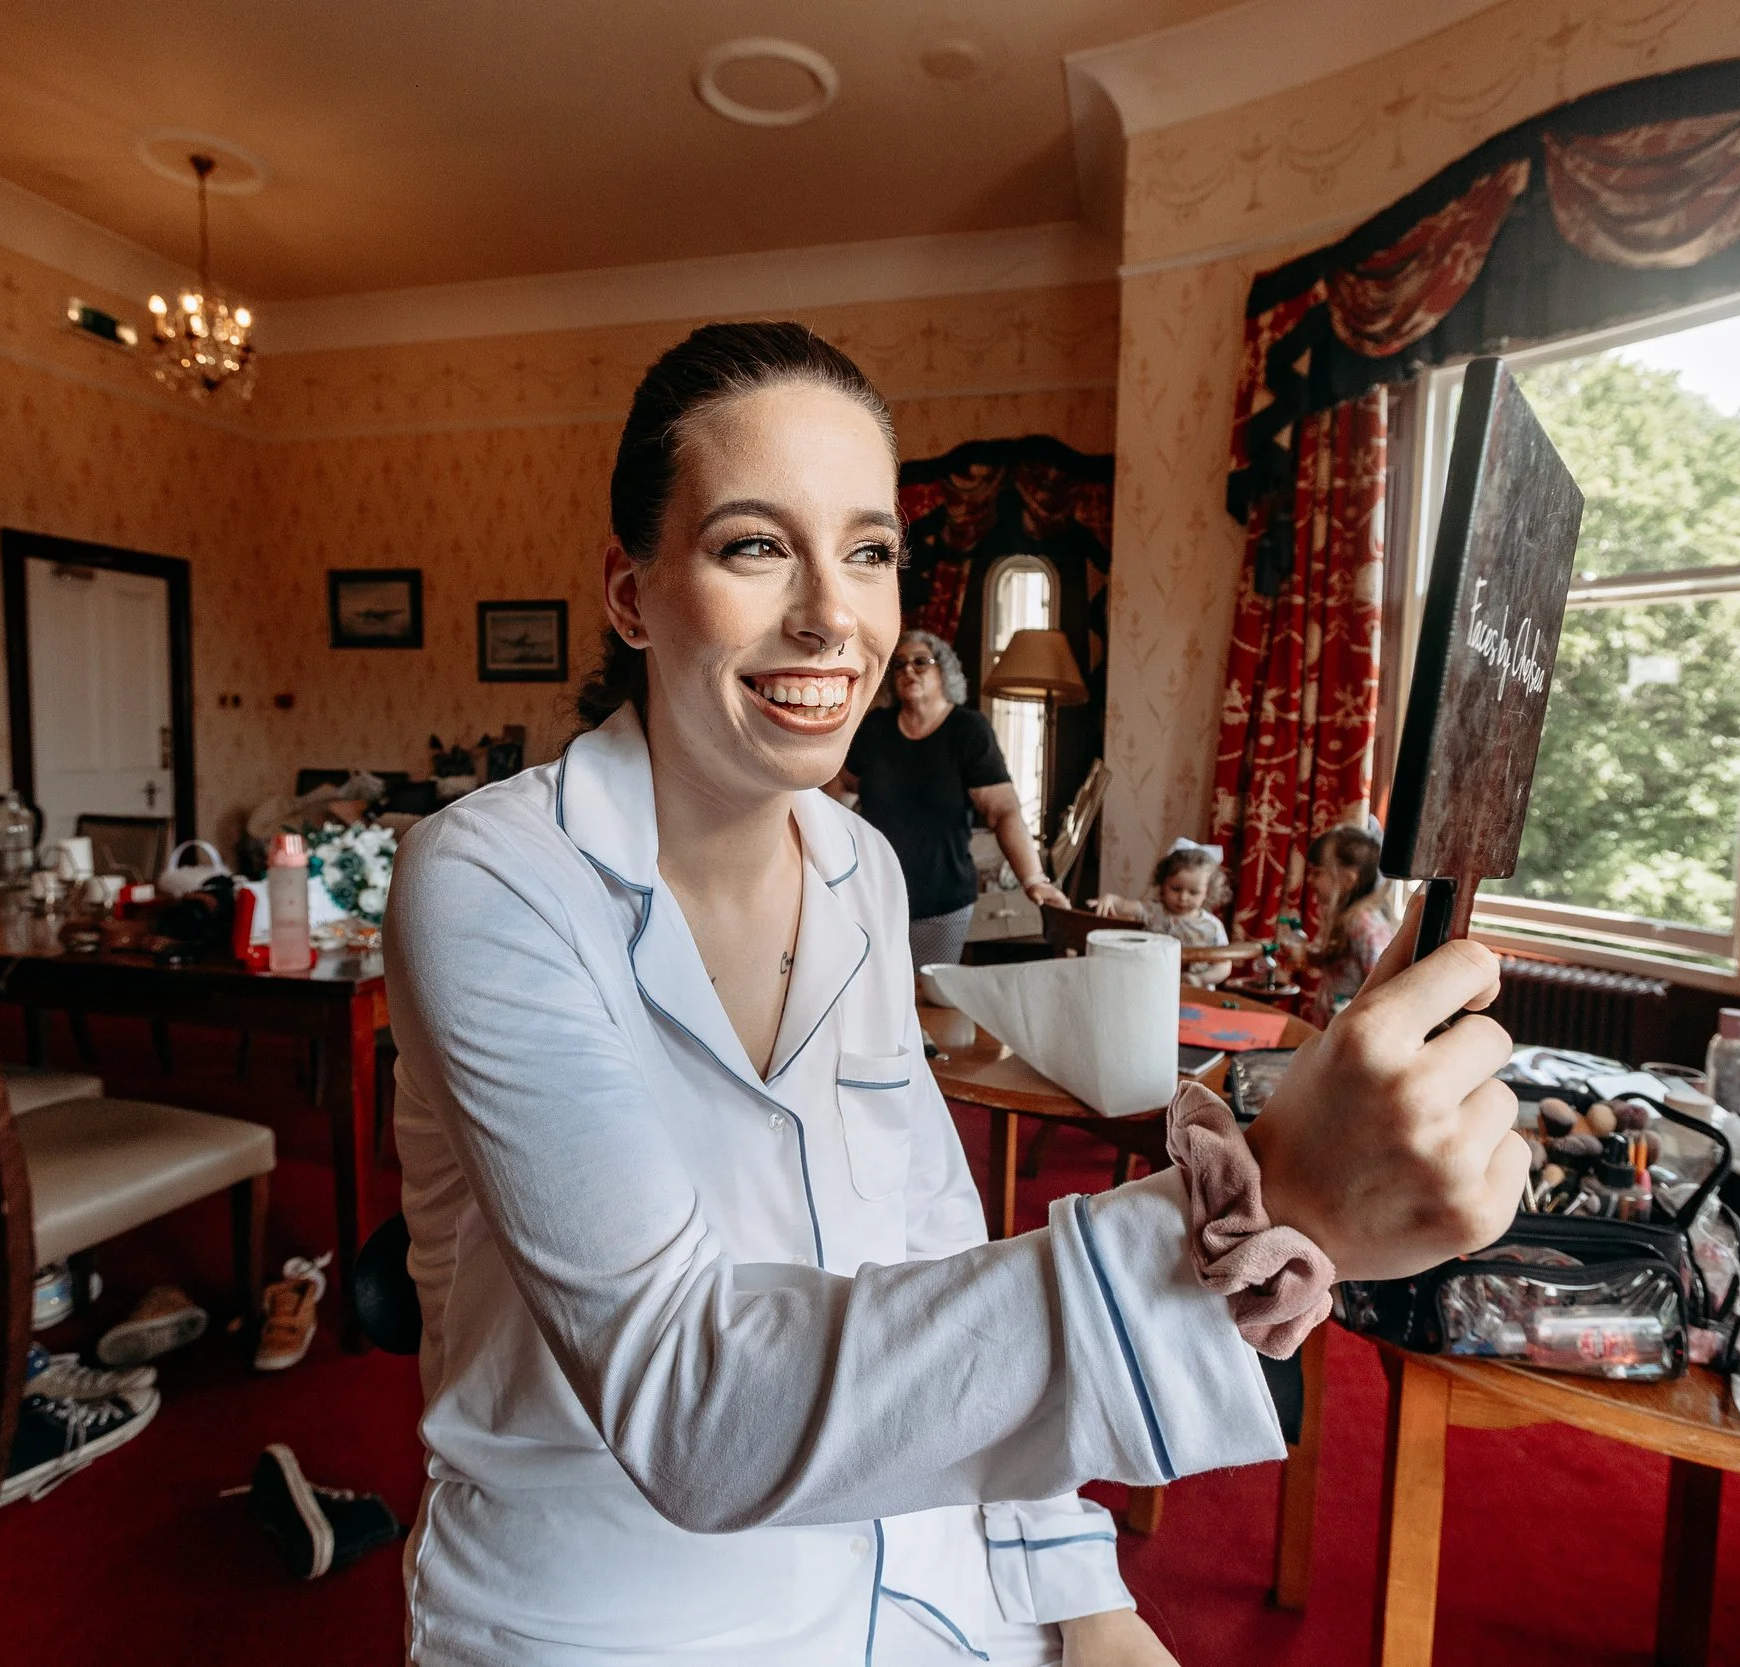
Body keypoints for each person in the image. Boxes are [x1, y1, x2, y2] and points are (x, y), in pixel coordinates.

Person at [384, 320, 1522, 1666]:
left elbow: (930, 1251)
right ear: (631, 594)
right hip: (618, 1610)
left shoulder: (860, 870)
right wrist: (1276, 1193)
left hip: (921, 1568)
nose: (833, 614)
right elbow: (690, 1400)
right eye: (754, 545)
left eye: (870, 551)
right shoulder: (491, 880)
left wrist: (1077, 1585)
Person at [841, 628, 1067, 969]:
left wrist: (1033, 879)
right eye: (899, 664)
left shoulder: (968, 730)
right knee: (869, 993)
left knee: (927, 997)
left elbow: (1003, 811)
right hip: (871, 897)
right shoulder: (875, 728)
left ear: (944, 670)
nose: (908, 670)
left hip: (941, 904)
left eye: (921, 662)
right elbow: (839, 794)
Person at [1090, 838, 1233, 987]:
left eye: (1193, 892)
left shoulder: (1212, 926)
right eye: (1176, 889)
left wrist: (1201, 979)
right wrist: (1110, 899)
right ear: (1163, 884)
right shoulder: (1153, 911)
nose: (1183, 898)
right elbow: (1124, 905)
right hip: (1152, 983)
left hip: (1194, 990)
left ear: (1208, 892)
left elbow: (1223, 964)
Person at [1302, 822, 1400, 1019]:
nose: (1310, 880)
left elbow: (1383, 987)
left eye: (1317, 873)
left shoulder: (1364, 924)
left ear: (1348, 879)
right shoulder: (1347, 920)